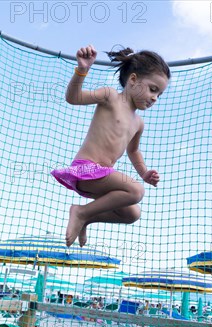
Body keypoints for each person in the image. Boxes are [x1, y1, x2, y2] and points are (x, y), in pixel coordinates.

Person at [51, 44, 170, 247]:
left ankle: (87, 217)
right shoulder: (110, 96)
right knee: (136, 191)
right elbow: (73, 98)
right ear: (133, 80)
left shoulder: (138, 123)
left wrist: (144, 173)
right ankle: (80, 212)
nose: (154, 98)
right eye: (153, 89)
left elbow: (133, 151)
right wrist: (82, 70)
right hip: (86, 169)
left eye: (159, 95)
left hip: (102, 178)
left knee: (132, 213)